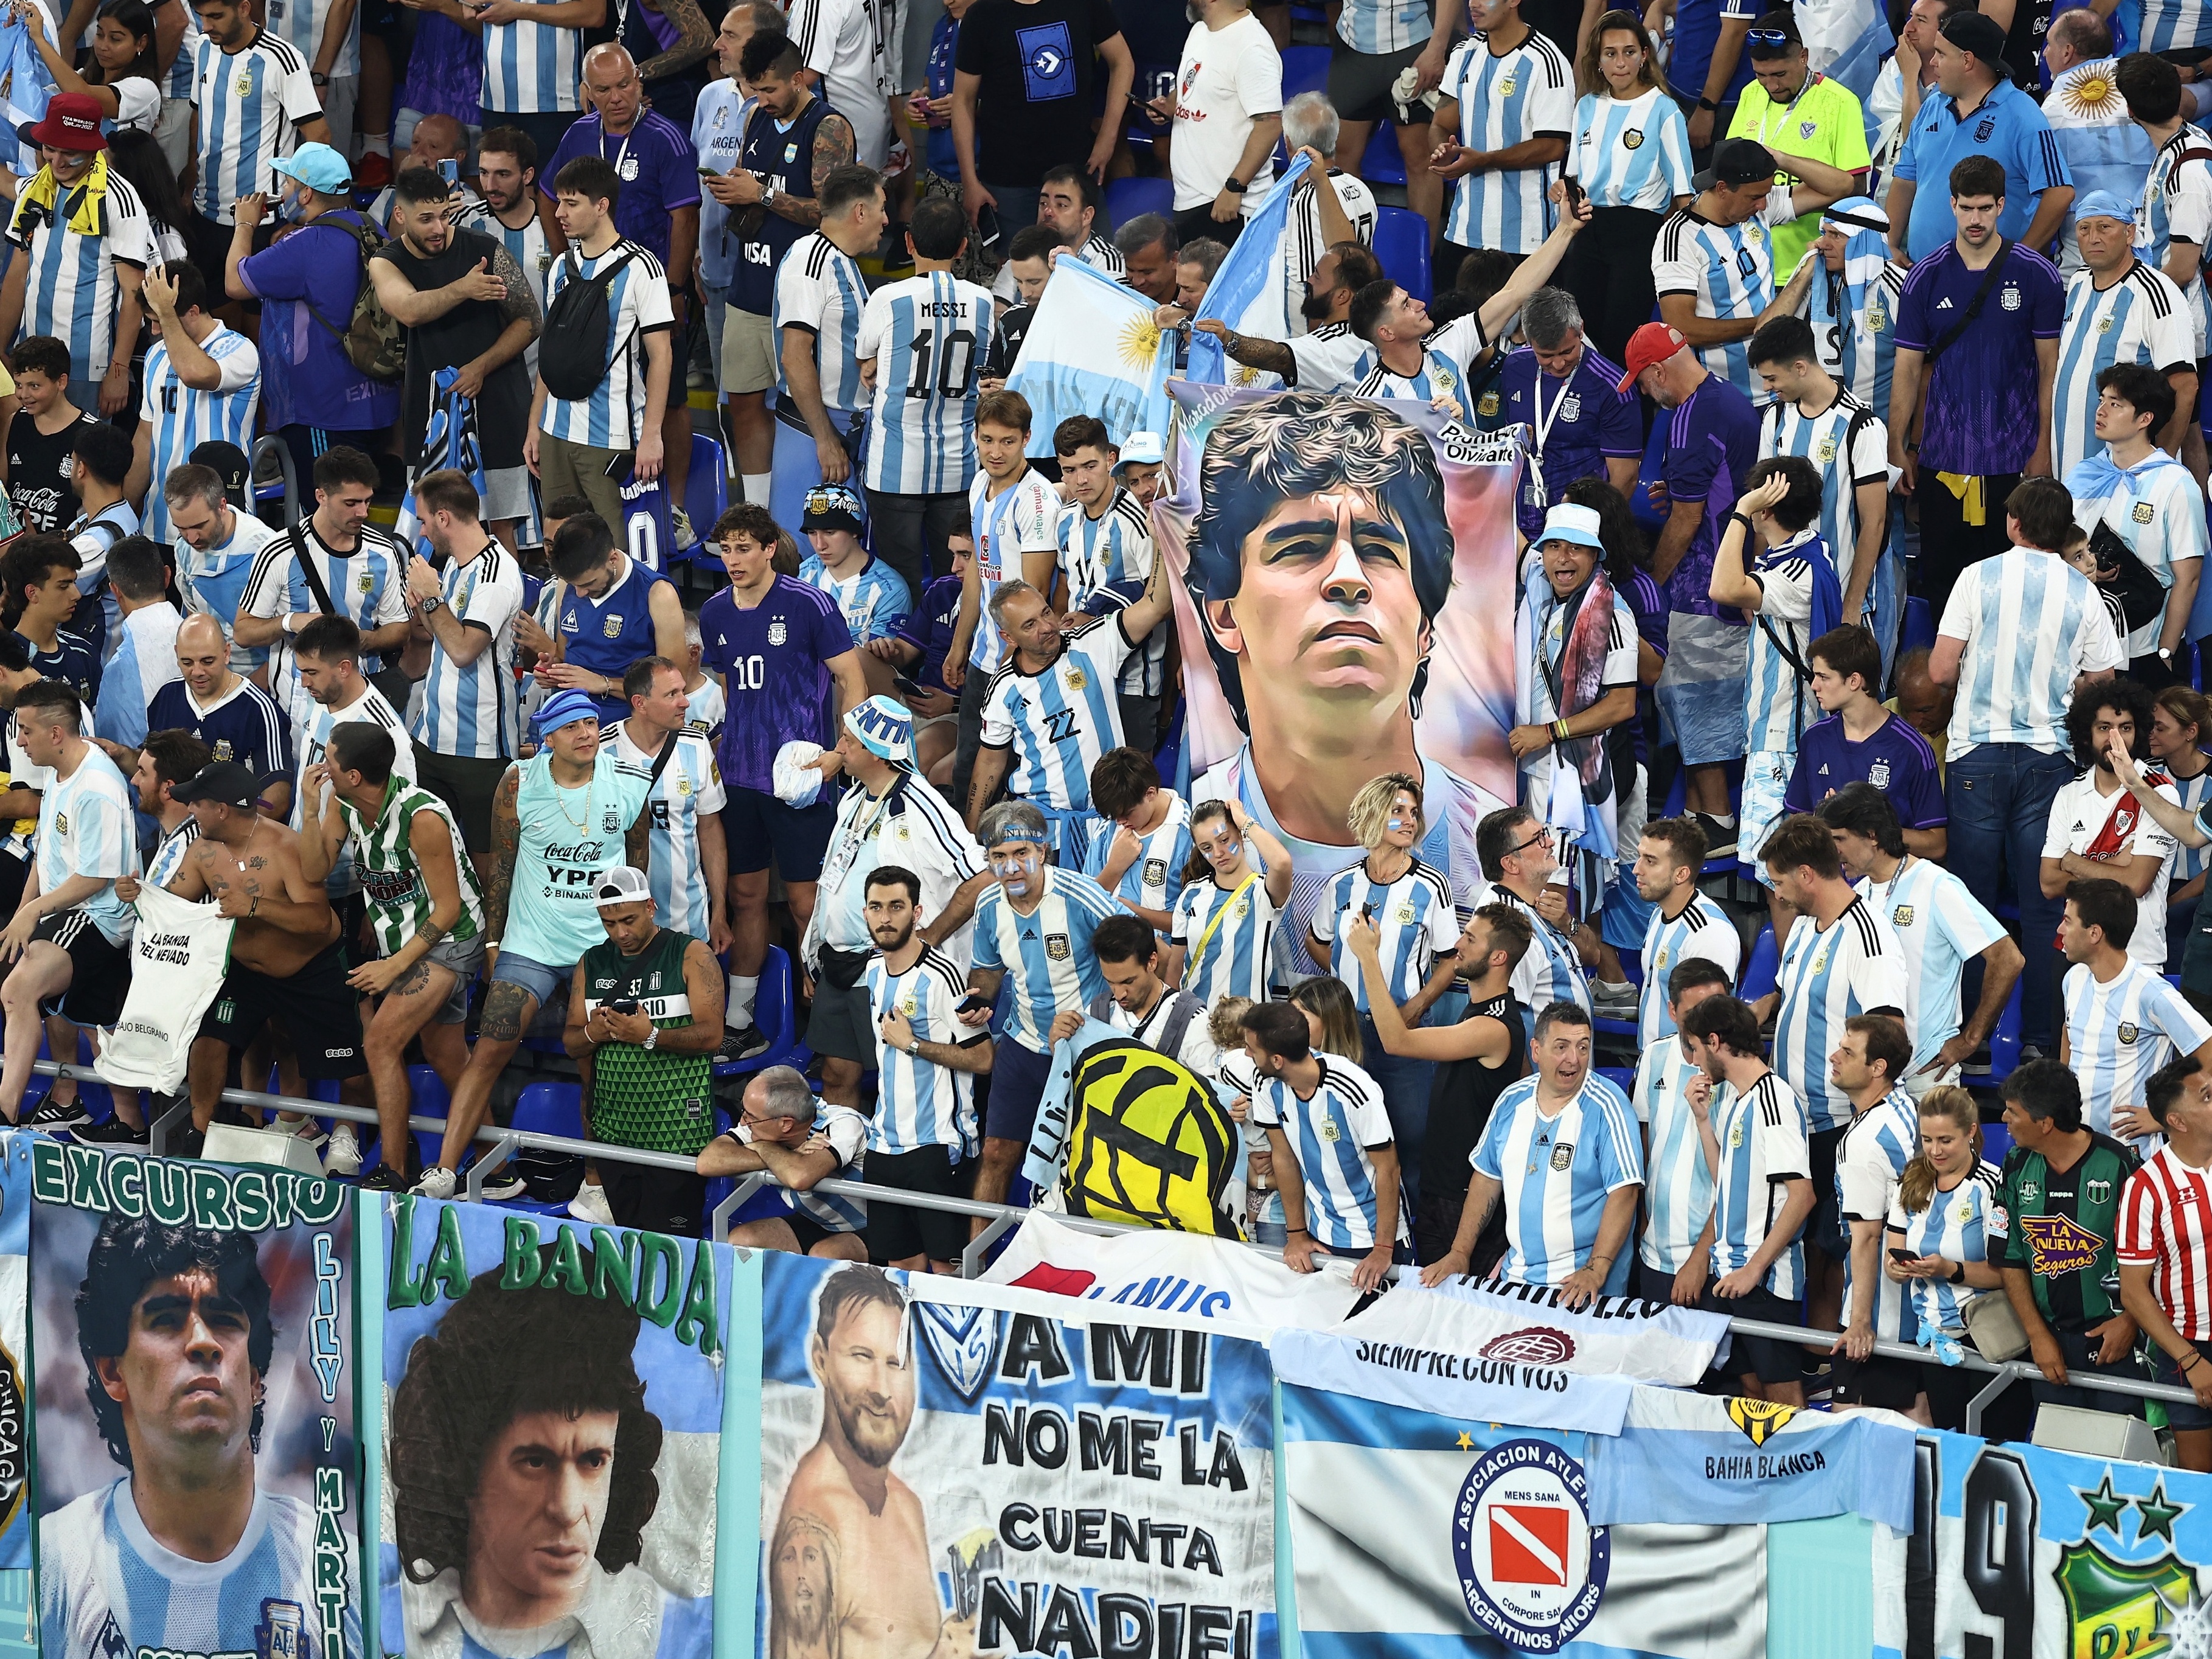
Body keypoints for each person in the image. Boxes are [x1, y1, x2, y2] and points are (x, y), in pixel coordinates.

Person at [1181, 392, 1511, 925]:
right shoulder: (1190, 824)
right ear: (1224, 616)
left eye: (1379, 549)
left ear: (1426, 625)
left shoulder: (1492, 838)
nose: (1349, 578)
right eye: (1300, 547)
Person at [38, 1217, 340, 1659]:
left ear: (256, 1377)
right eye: (167, 1319)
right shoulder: (54, 1561)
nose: (203, 1341)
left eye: (223, 1319)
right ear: (112, 1370)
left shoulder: (333, 1563)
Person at [419, 690, 651, 1197]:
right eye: (573, 727)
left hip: (600, 948)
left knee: (600, 1064)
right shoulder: (519, 781)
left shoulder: (630, 783)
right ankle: (444, 1170)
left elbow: (638, 870)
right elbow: (500, 867)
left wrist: (632, 947)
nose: (588, 733)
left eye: (592, 723)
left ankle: (595, 1183)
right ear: (548, 737)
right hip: (532, 941)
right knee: (489, 1047)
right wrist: (494, 939)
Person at [1930, 473, 2123, 1051]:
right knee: (2045, 911)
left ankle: (1967, 1039)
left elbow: (1939, 671)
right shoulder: (2082, 592)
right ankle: (2040, 1040)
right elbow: (2103, 683)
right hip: (2048, 761)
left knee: (1970, 905)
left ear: (2012, 523)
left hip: (1976, 756)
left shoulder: (1976, 576)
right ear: (2063, 531)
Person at [387, 1265, 667, 1659]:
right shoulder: (387, 1616)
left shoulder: (660, 1627)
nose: (568, 1509)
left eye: (593, 1460)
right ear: (462, 1465)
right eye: (535, 1461)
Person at [699, 503, 871, 1056]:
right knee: (747, 896)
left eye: (745, 548)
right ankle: (742, 1021)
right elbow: (731, 687)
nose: (734, 559)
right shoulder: (715, 612)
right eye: (726, 549)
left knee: (806, 905)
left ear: (771, 548)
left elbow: (851, 678)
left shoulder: (810, 605)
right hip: (741, 782)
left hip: (801, 779)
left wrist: (843, 752)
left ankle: (825, 1031)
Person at [297, 721, 484, 1191]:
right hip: (402, 943)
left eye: (331, 761)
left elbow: (448, 909)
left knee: (379, 1042)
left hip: (450, 939)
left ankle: (394, 1168)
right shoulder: (345, 804)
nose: (323, 767)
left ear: (355, 774)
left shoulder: (423, 817)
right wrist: (309, 807)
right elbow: (314, 870)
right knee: (446, 1056)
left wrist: (393, 967)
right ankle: (498, 1167)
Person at [1892, 150, 2065, 615]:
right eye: (1966, 207)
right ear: (1951, 205)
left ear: (2002, 206)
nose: (1975, 218)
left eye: (1985, 207)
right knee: (1947, 592)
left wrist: (2042, 444)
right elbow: (1907, 370)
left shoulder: (2036, 275)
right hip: (1944, 462)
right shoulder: (1925, 278)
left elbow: (2049, 371)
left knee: (2011, 594)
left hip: (2013, 460)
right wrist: (1899, 446)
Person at [158, 757, 360, 1150]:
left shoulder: (285, 845)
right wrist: (141, 899)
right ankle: (200, 1132)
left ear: (220, 809)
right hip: (246, 971)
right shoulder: (202, 849)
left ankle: (346, 1134)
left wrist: (254, 907)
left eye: (196, 802)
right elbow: (173, 902)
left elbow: (319, 921)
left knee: (348, 1059)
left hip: (311, 968)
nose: (189, 809)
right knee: (209, 1039)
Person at [1756, 812, 1907, 1329]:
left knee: (1833, 1248)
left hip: (1841, 1122)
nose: (1776, 894)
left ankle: (1830, 1358)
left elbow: (1888, 1032)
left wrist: (1861, 1116)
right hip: (1796, 1121)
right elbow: (1786, 995)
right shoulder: (1802, 930)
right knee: (1807, 1245)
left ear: (1805, 874)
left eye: (1778, 881)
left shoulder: (1870, 937)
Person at [540, 44, 701, 523]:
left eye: (625, 85)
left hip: (650, 283)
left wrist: (674, 288)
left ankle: (674, 508)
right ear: (587, 93)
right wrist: (564, 259)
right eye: (605, 89)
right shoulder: (578, 135)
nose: (617, 97)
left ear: (640, 83)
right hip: (589, 284)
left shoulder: (666, 139)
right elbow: (550, 197)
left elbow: (684, 218)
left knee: (669, 392)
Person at [802, 695, 985, 1104]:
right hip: (838, 964)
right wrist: (811, 952)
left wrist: (931, 938)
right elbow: (832, 882)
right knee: (835, 1075)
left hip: (892, 970)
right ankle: (845, 1157)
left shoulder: (923, 804)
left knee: (903, 1082)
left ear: (878, 752)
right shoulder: (852, 799)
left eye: (849, 741)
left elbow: (982, 875)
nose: (841, 749)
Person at [1621, 322, 1761, 849]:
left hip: (1703, 587)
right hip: (1731, 575)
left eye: (1642, 380)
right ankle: (1706, 814)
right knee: (1706, 700)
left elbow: (1684, 521)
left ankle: (1719, 818)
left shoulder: (1688, 419)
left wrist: (1652, 586)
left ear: (1660, 371)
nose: (1642, 391)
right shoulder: (1730, 398)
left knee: (1691, 698)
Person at [964, 533, 1172, 858]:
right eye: (1030, 624)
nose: (1047, 627)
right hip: (1043, 828)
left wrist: (1160, 537)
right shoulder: (1004, 687)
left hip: (1112, 818)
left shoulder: (1095, 641)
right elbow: (991, 760)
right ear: (1008, 636)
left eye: (1046, 613)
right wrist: (972, 833)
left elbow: (1156, 605)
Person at [1424, 998, 1641, 1300]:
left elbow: (1625, 1192)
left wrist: (1596, 1270)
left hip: (1580, 1286)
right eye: (1562, 1047)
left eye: (1583, 1047)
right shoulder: (1512, 1100)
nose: (1574, 1059)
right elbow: (1486, 1179)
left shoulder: (1609, 1105)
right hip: (1516, 1279)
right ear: (1536, 1050)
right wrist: (1460, 1252)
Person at [721, 31, 857, 513]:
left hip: (801, 299)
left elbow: (832, 213)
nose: (763, 100)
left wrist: (760, 196)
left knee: (799, 411)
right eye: (755, 90)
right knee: (743, 402)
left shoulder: (829, 127)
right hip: (748, 286)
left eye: (772, 90)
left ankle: (806, 517)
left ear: (798, 79)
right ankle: (758, 515)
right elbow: (746, 181)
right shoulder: (757, 116)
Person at [961, 799, 1119, 1207]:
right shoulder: (988, 906)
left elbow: (1141, 951)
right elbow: (987, 972)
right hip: (1023, 1045)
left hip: (1086, 1050)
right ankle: (976, 1267)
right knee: (995, 1153)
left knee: (1088, 1163)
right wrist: (976, 1003)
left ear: (1042, 852)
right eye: (999, 857)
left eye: (1020, 854)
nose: (1010, 867)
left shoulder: (1082, 896)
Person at [372, 165, 541, 545]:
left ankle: (505, 603)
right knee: (433, 525)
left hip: (498, 399)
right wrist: (464, 288)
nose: (438, 228)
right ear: (400, 215)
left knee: (501, 524)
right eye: (426, 219)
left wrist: (482, 366)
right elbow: (410, 310)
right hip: (430, 407)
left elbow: (530, 320)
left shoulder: (484, 249)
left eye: (444, 216)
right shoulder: (386, 261)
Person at [1820, 781, 2019, 1096]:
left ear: (1872, 836)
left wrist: (1969, 1040)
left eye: (1840, 839)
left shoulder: (1937, 885)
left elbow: (2008, 958)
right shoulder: (1858, 894)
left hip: (1927, 1077)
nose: (1835, 851)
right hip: (1872, 1080)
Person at [1361, 902, 1529, 1267]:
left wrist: (1368, 960)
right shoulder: (1482, 1011)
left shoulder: (1493, 1027)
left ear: (1498, 957)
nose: (1458, 944)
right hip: (1444, 1191)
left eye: (1470, 938)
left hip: (1465, 1199)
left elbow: (1397, 1042)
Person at [558, 864, 724, 1235]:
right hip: (614, 1129)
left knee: (672, 1245)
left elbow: (713, 1035)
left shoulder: (691, 954)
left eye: (629, 920)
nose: (621, 933)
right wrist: (593, 1031)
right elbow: (571, 1043)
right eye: (609, 924)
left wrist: (650, 1036)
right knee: (628, 1241)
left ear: (651, 906)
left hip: (677, 1130)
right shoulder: (592, 961)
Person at [0, 680, 136, 1125]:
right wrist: (24, 911)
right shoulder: (58, 772)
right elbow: (48, 851)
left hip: (99, 915)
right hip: (67, 910)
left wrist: (35, 912)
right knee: (85, 1018)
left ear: (56, 733)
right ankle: (87, 1109)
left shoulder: (97, 786)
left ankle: (5, 1115)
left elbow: (95, 876)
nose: (19, 740)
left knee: (19, 990)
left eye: (26, 730)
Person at [226, 144, 402, 479]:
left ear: (306, 194)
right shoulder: (371, 228)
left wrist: (245, 225)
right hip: (377, 404)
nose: (285, 191)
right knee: (354, 509)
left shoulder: (307, 243)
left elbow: (234, 282)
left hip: (324, 411)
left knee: (327, 517)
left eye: (290, 185)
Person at [845, 866, 987, 1271]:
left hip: (938, 1145)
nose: (885, 917)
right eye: (876, 907)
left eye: (896, 906)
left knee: (947, 1270)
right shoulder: (872, 970)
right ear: (866, 913)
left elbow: (982, 1057)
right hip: (884, 1145)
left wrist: (913, 1044)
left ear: (917, 911)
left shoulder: (942, 976)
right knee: (899, 1268)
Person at [1680, 989, 1816, 1404]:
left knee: (1783, 1396)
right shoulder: (1738, 1101)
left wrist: (1755, 1268)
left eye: (1698, 1047)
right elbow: (1730, 1180)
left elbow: (1803, 1195)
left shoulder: (1773, 1099)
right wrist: (1704, 1121)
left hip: (1764, 1279)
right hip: (1731, 1273)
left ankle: (1799, 1471)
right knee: (1752, 1389)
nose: (1696, 1059)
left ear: (1716, 1041)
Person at [857, 197, 995, 598]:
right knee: (955, 579)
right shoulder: (984, 301)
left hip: (894, 465)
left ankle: (903, 659)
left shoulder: (887, 297)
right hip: (960, 465)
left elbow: (864, 357)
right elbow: (988, 369)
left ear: (910, 242)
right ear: (963, 248)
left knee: (899, 583)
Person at [527, 155, 674, 530]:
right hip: (555, 431)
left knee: (615, 553)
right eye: (559, 201)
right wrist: (535, 424)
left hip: (611, 437)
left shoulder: (644, 268)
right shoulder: (561, 266)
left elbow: (661, 357)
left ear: (602, 206)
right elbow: (553, 350)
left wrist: (652, 437)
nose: (560, 212)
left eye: (571, 203)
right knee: (559, 547)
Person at [1705, 459, 1829, 902]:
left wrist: (1740, 510)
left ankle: (1785, 972)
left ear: (1766, 509)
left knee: (1781, 878)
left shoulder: (1797, 569)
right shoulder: (1798, 554)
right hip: (1775, 734)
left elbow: (1721, 588)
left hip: (1783, 739)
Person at [1995, 1056, 2146, 1413]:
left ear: (2045, 1123)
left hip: (2114, 1342)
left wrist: (2130, 1321)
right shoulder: (2016, 1165)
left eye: (2013, 1112)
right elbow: (2009, 1255)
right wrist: (2037, 1335)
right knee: (2057, 1462)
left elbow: (2152, 1255)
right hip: (2050, 1344)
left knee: (2116, 1458)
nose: (2005, 1119)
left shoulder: (2119, 1164)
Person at [403, 469, 525, 876]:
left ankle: (490, 942)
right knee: (430, 857)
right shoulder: (456, 566)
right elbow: (438, 632)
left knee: (485, 866)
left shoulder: (496, 572)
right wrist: (422, 603)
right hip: (432, 737)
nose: (421, 532)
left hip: (480, 748)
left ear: (443, 518)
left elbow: (462, 649)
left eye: (422, 520)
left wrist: (433, 596)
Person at [0, 99, 150, 426]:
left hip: (86, 364)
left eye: (70, 152)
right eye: (51, 149)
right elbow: (16, 273)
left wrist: (118, 370)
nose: (58, 160)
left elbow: (134, 291)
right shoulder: (32, 189)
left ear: (93, 148)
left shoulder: (119, 199)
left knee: (81, 462)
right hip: (30, 356)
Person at [1348, 207, 1585, 413]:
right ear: (1386, 332)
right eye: (1406, 306)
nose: (1420, 304)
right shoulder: (1371, 398)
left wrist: (1566, 229)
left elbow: (1514, 292)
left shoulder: (1449, 342)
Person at [1885, 9, 2073, 266]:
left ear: (1967, 60)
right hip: (1924, 273)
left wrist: (2018, 257)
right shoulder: (1933, 105)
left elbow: (2060, 192)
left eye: (1941, 54)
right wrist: (1889, 245)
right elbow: (1907, 177)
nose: (1932, 62)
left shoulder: (2023, 115)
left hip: (1989, 282)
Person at [1242, 998, 1407, 1289]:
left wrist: (1383, 1249)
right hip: (1320, 1236)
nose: (1245, 1054)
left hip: (1373, 1238)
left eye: (1252, 1049)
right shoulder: (1264, 1082)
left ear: (1277, 1060)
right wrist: (1296, 1234)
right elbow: (1284, 1158)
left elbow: (1389, 1170)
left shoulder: (1355, 1088)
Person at [1559, 10, 1692, 364]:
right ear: (1598, 59)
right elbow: (1571, 177)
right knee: (1578, 334)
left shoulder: (1666, 111)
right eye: (1611, 53)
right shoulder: (1586, 106)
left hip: (1638, 233)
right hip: (1587, 230)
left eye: (1629, 52)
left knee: (1621, 340)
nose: (1621, 62)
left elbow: (1684, 196)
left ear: (1645, 55)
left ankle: (1624, 415)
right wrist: (1561, 192)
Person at [236, 447, 409, 707]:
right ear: (321, 496)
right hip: (295, 700)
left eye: (367, 501)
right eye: (351, 503)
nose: (363, 512)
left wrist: (365, 639)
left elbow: (399, 628)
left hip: (361, 695)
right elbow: (243, 632)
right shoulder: (278, 552)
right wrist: (290, 622)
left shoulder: (383, 553)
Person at [1749, 316, 1888, 631]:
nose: (1766, 388)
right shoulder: (1774, 419)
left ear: (1800, 367)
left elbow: (1874, 521)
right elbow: (1763, 506)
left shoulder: (1861, 426)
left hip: (1836, 598)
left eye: (1771, 378)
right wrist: (1756, 578)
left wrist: (1852, 605)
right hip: (1779, 594)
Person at [2068, 364, 2205, 683]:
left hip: (2144, 650)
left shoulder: (2176, 484)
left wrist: (2166, 654)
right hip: (2079, 646)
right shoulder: (2083, 475)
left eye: (2115, 404)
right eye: (2102, 399)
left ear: (2145, 419)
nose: (2101, 410)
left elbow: (2189, 578)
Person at [771, 164, 885, 544]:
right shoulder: (810, 263)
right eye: (881, 208)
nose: (887, 220)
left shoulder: (843, 262)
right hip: (814, 433)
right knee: (804, 556)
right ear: (860, 212)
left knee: (843, 559)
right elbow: (795, 357)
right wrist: (825, 439)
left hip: (841, 429)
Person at [1884, 1084, 2008, 1428]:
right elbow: (1891, 1261)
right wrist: (1900, 1268)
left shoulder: (1993, 1186)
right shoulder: (1910, 1182)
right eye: (1927, 1140)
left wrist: (1950, 1270)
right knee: (1949, 1439)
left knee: (1989, 1443)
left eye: (1945, 1141)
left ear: (1970, 1132)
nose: (1935, 1151)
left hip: (1986, 1339)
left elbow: (2007, 1274)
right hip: (1934, 1338)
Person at [950, 0, 1130, 236]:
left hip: (1077, 169)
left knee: (1094, 265)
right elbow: (962, 101)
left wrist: (1108, 137)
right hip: (1009, 179)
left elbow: (1123, 62)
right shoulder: (981, 15)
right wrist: (970, 182)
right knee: (1019, 270)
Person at [2053, 197, 2197, 490]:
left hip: (2129, 479)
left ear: (2130, 234)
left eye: (2104, 227)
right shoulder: (2078, 284)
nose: (2093, 238)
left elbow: (2184, 385)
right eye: (2083, 229)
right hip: (2069, 470)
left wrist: (2157, 466)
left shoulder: (2157, 293)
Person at [181, 0, 332, 279]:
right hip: (205, 211)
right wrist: (191, 179)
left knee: (256, 319)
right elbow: (198, 112)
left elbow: (319, 138)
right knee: (213, 314)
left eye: (216, 16)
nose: (206, 26)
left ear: (244, 8)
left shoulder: (282, 58)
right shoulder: (204, 47)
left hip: (262, 218)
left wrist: (301, 214)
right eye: (201, 16)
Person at [1428, 0, 1571, 289]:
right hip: (1464, 230)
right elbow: (1441, 124)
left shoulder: (1547, 61)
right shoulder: (1464, 53)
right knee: (1450, 329)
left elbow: (1553, 146)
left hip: (1527, 238)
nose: (1474, 4)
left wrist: (1483, 160)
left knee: (1520, 334)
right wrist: (1443, 150)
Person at [2059, 875, 2212, 1144]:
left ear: (2095, 933)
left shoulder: (2151, 993)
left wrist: (2164, 1116)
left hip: (2130, 1152)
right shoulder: (2074, 979)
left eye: (2068, 921)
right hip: (2077, 1146)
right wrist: (2059, 1097)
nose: (2060, 930)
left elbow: (2208, 1051)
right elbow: (2069, 1034)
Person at [2044, 678, 2183, 972]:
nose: (2115, 738)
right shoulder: (2068, 795)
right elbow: (2047, 883)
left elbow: (2136, 883)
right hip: (2076, 955)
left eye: (2126, 728)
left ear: (2140, 732)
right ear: (2086, 734)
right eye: (2104, 728)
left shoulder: (2159, 793)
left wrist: (2072, 862)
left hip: (2138, 958)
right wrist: (2117, 866)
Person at [1825, 1012, 1923, 1405]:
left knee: (1854, 1427)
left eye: (1848, 1052)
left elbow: (1866, 1236)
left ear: (1877, 1068)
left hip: (1883, 1319)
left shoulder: (1865, 1141)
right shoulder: (1909, 1108)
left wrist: (1861, 1321)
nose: (1835, 1055)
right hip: (1922, 1309)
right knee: (1917, 1425)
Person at [2120, 1056, 2212, 1467]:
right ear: (2177, 1120)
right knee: (2200, 1484)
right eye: (2207, 1096)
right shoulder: (2146, 1187)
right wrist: (2190, 1360)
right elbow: (2133, 1291)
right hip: (2189, 1347)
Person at [1724, 10, 1868, 274]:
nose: (1771, 85)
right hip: (1748, 264)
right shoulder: (1750, 94)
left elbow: (1856, 189)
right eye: (1761, 75)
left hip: (1808, 263)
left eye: (1780, 74)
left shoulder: (1840, 102)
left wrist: (1785, 190)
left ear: (1804, 57)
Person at [1054, 417, 1166, 753]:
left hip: (1133, 679)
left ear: (1110, 460)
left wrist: (1094, 616)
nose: (1081, 479)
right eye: (1070, 470)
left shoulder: (1140, 518)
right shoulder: (1064, 519)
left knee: (1135, 781)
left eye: (1089, 465)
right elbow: (1063, 587)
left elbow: (1160, 599)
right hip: (1084, 672)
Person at [1650, 139, 1789, 407]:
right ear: (1723, 188)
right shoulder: (1679, 238)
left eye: (1765, 194)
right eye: (1754, 197)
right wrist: (1762, 323)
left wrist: (1778, 158)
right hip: (1722, 398)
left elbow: (1839, 186)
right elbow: (1682, 329)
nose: (1763, 204)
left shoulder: (1759, 208)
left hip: (1778, 391)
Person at [130, 263, 259, 551]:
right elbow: (144, 438)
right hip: (160, 525)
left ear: (193, 312)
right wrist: (123, 509)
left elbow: (194, 373)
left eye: (159, 320)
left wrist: (166, 312)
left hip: (223, 524)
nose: (153, 330)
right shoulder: (155, 356)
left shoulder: (239, 350)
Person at [1494, 291, 1641, 541]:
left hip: (1579, 524)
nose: (1559, 364)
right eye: (1546, 356)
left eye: (1567, 352)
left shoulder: (1613, 387)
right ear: (1529, 341)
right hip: (1518, 520)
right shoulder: (1514, 367)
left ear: (1581, 329)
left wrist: (1592, 534)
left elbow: (1625, 478)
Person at [1786, 628, 1946, 854]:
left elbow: (1937, 845)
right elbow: (1797, 822)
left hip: (1886, 885)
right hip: (1828, 882)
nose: (1814, 685)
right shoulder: (1814, 740)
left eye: (1824, 677)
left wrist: (1869, 831)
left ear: (1854, 681)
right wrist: (1826, 823)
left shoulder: (1912, 749)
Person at [1633, 955, 1730, 1304]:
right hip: (1654, 1254)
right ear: (1672, 1012)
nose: (1707, 1027)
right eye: (1694, 1016)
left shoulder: (1739, 1076)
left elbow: (1740, 1184)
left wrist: (1701, 1257)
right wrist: (1643, 1228)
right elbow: (1645, 1151)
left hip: (1713, 1261)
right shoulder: (1653, 1058)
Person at [703, 1063, 870, 1257]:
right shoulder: (763, 1124)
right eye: (744, 1111)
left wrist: (765, 1148)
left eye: (750, 1117)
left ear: (786, 1124)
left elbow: (799, 1177)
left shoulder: (843, 1124)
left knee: (825, 1255)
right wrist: (781, 1154)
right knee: (742, 1241)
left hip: (879, 1226)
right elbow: (708, 1161)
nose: (742, 1122)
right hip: (823, 1223)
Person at [1152, 0, 1281, 248]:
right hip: (1190, 199)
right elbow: (1188, 86)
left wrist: (1235, 187)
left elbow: (1271, 124)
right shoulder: (1200, 31)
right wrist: (1168, 106)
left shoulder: (1252, 47)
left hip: (1228, 206)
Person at [1056, 913, 1218, 1080]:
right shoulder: (1096, 1014)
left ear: (1152, 962)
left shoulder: (1194, 1023)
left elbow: (1211, 1098)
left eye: (1128, 982)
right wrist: (1059, 1045)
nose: (1119, 995)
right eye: (1111, 982)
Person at [1166, 797, 1291, 1007]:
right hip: (1197, 1024)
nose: (1217, 853)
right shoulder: (1191, 895)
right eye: (1206, 847)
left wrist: (1244, 821)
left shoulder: (1262, 892)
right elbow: (1175, 967)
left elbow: (1282, 863)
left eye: (1224, 840)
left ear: (1240, 834)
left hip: (1248, 1027)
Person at [1632, 816, 1741, 1047]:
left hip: (1685, 1072)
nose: (1636, 870)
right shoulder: (1659, 913)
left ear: (1681, 874)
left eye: (1650, 861)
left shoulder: (1709, 934)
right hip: (1652, 1065)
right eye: (1640, 857)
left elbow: (1712, 1026)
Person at [798, 481, 911, 654]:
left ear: (854, 531)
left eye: (830, 532)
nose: (820, 545)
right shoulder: (801, 575)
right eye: (812, 533)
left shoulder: (891, 590)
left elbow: (878, 666)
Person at [92, 537, 181, 751]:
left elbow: (117, 752)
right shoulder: (206, 643)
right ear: (168, 576)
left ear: (115, 591)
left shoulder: (120, 669)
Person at [3, 339, 97, 537]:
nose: (23, 394)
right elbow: (2, 487)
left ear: (61, 382)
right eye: (18, 385)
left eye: (34, 386)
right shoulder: (15, 422)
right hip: (16, 552)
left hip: (65, 556)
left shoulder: (91, 434)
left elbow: (100, 509)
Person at [5, 537, 99, 706]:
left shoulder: (84, 652)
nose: (77, 595)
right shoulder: (6, 667)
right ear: (32, 593)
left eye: (74, 583)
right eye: (64, 586)